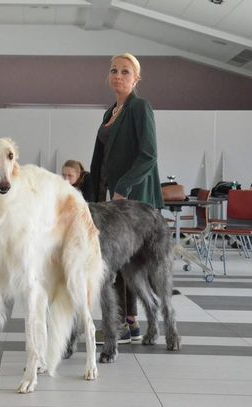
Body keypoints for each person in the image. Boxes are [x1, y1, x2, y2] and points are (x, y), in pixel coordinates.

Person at [90, 53, 163, 344]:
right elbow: (102, 158)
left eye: (125, 71)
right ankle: (126, 323)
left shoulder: (139, 107)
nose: (118, 75)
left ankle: (126, 322)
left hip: (134, 199)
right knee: (115, 258)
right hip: (111, 199)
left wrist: (124, 187)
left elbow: (148, 154)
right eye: (114, 70)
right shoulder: (110, 112)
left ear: (136, 79)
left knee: (128, 260)